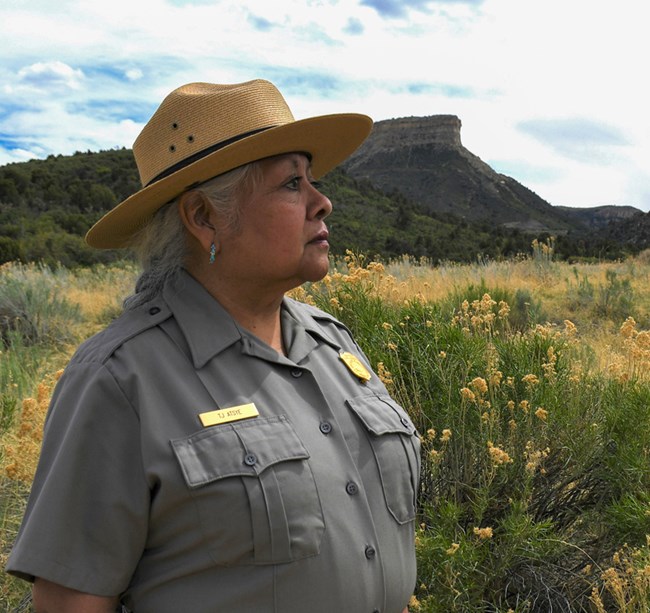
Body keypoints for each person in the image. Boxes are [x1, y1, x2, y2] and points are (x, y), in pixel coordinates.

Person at [6, 79, 420, 613]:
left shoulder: (333, 343)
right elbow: (71, 603)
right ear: (204, 217)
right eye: (292, 184)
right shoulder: (120, 378)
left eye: (312, 180)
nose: (323, 203)